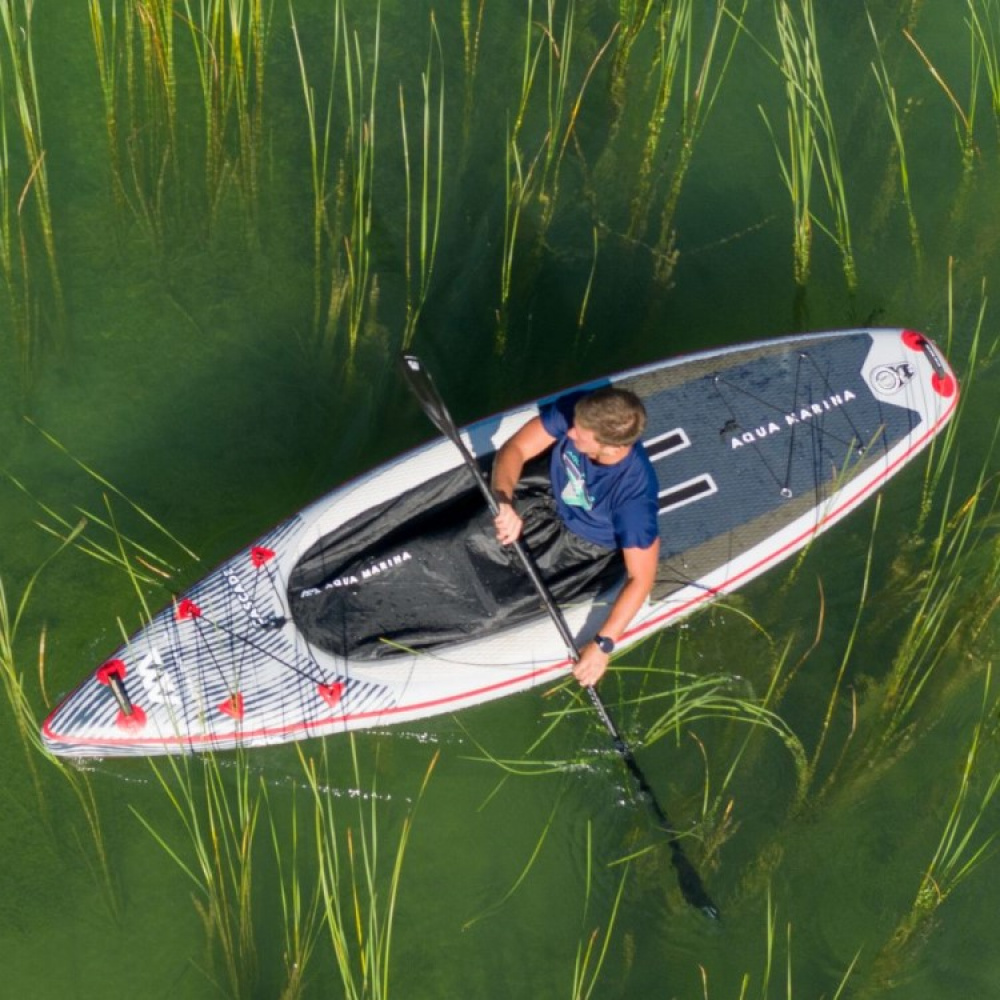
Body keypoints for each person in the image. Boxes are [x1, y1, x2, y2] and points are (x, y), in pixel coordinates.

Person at [490, 386, 660, 687]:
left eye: (579, 434)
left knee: (501, 592)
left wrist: (603, 646)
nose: (568, 432)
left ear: (608, 448)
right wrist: (504, 500)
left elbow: (641, 578)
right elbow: (515, 448)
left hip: (581, 544)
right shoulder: (581, 409)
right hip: (547, 492)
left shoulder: (634, 503)